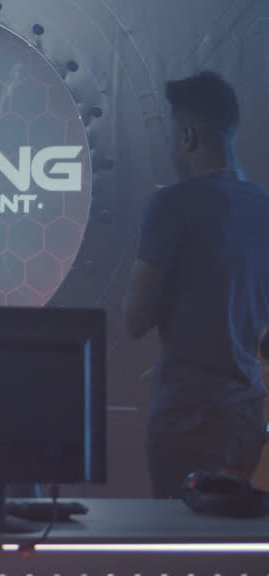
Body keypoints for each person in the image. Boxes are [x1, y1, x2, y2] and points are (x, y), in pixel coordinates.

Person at [124, 70, 269, 498]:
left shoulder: (172, 204)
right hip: (243, 419)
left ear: (187, 135)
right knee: (226, 549)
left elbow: (134, 318)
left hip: (184, 419)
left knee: (178, 548)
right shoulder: (265, 208)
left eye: (172, 136)